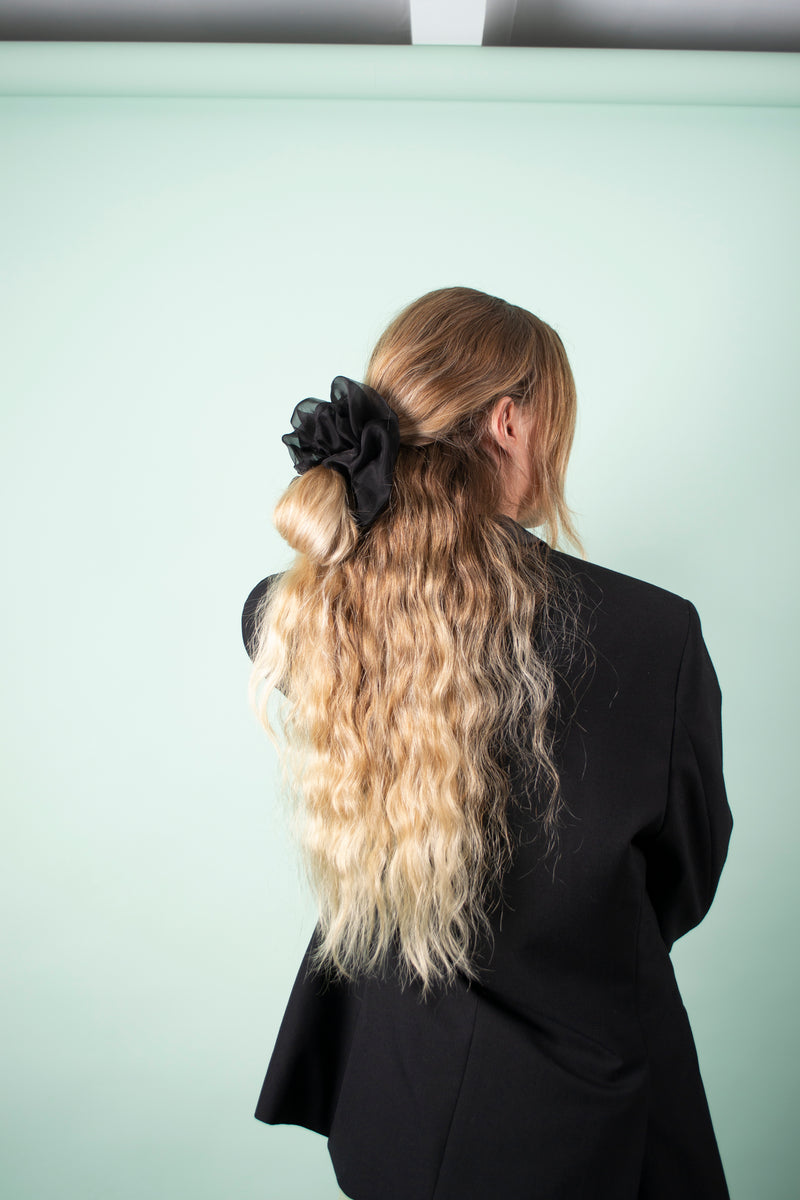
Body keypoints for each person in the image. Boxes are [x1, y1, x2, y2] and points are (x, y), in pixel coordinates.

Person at [241, 285, 733, 1200]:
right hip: (579, 1122)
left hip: (389, 1097)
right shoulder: (654, 636)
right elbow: (682, 878)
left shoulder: (300, 614)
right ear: (509, 423)